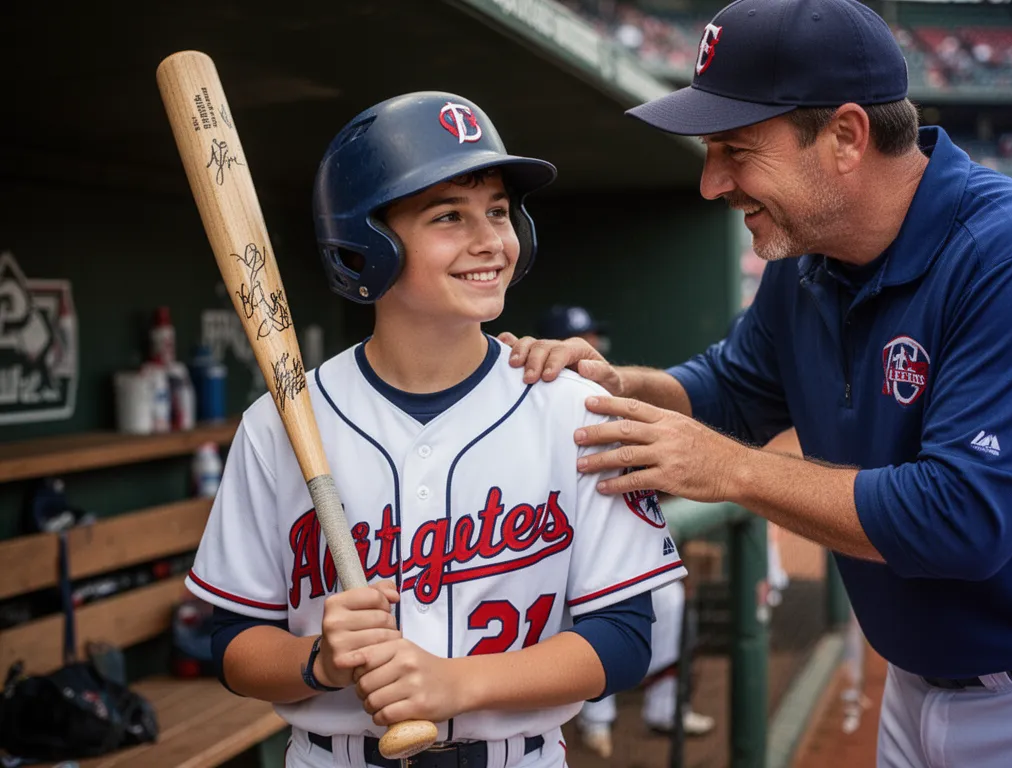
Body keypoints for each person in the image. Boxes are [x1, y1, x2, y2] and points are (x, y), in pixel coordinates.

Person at [500, 1, 1012, 766]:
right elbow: (734, 391)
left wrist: (729, 470)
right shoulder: (808, 257)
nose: (713, 182)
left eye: (735, 149)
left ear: (846, 136)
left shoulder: (1002, 253)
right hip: (914, 688)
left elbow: (963, 518)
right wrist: (620, 385)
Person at [184, 92, 686, 768]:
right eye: (448, 215)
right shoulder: (280, 422)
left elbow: (624, 640)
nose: (489, 241)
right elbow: (235, 645)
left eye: (499, 212)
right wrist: (319, 662)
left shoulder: (572, 408)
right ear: (368, 243)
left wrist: (456, 683)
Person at [537, 306, 715, 758]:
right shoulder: (533, 399)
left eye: (595, 336)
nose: (593, 345)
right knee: (581, 619)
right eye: (583, 337)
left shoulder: (609, 391)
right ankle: (595, 720)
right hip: (552, 536)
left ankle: (662, 706)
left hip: (613, 517)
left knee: (665, 600)